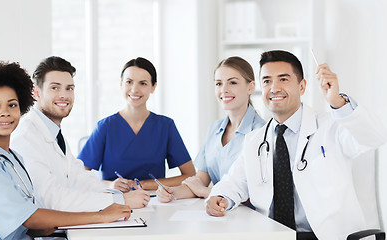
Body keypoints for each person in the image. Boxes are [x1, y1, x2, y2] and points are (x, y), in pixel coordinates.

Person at [206, 50, 387, 239]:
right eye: (267, 81)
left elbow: (375, 138)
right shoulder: (255, 141)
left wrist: (338, 102)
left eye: (283, 79)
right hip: (274, 236)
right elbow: (233, 182)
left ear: (302, 87)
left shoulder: (332, 126)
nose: (274, 88)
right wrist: (220, 198)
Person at [0, 62, 132, 240]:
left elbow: (26, 215)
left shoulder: (13, 157)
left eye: (12, 105)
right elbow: (29, 218)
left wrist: (46, 226)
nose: (5, 113)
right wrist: (101, 216)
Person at [11, 56, 149, 212]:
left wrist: (118, 193)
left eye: (69, 88)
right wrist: (120, 200)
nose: (64, 95)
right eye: (55, 88)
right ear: (37, 92)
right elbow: (51, 199)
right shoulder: (26, 137)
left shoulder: (53, 133)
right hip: (43, 233)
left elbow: (80, 178)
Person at [78, 57, 196, 191]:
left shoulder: (165, 126)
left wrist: (142, 185)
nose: (134, 89)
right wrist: (110, 185)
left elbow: (190, 175)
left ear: (153, 87)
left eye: (143, 83)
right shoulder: (105, 126)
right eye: (129, 82)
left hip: (154, 201)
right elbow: (79, 176)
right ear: (121, 84)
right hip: (113, 201)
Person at [157, 56, 264, 202]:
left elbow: (258, 194)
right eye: (218, 84)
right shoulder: (214, 129)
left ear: (251, 87)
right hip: (218, 214)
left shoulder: (261, 132)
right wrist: (171, 192)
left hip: (249, 217)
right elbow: (200, 180)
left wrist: (206, 191)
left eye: (232, 82)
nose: (224, 90)